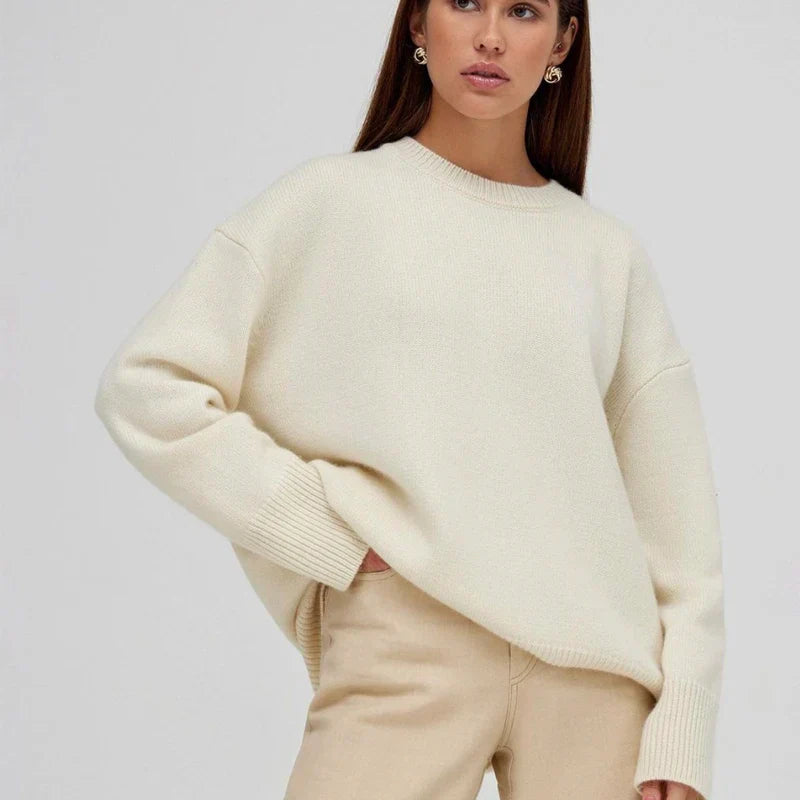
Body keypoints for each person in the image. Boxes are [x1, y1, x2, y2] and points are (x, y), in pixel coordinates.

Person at [93, 1, 726, 798]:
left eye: (523, 10)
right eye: (464, 2)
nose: (490, 35)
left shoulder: (606, 254)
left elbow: (679, 525)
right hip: (407, 641)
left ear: (563, 40)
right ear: (418, 25)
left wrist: (680, 732)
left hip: (597, 679)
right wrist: (328, 533)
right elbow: (149, 386)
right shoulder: (330, 202)